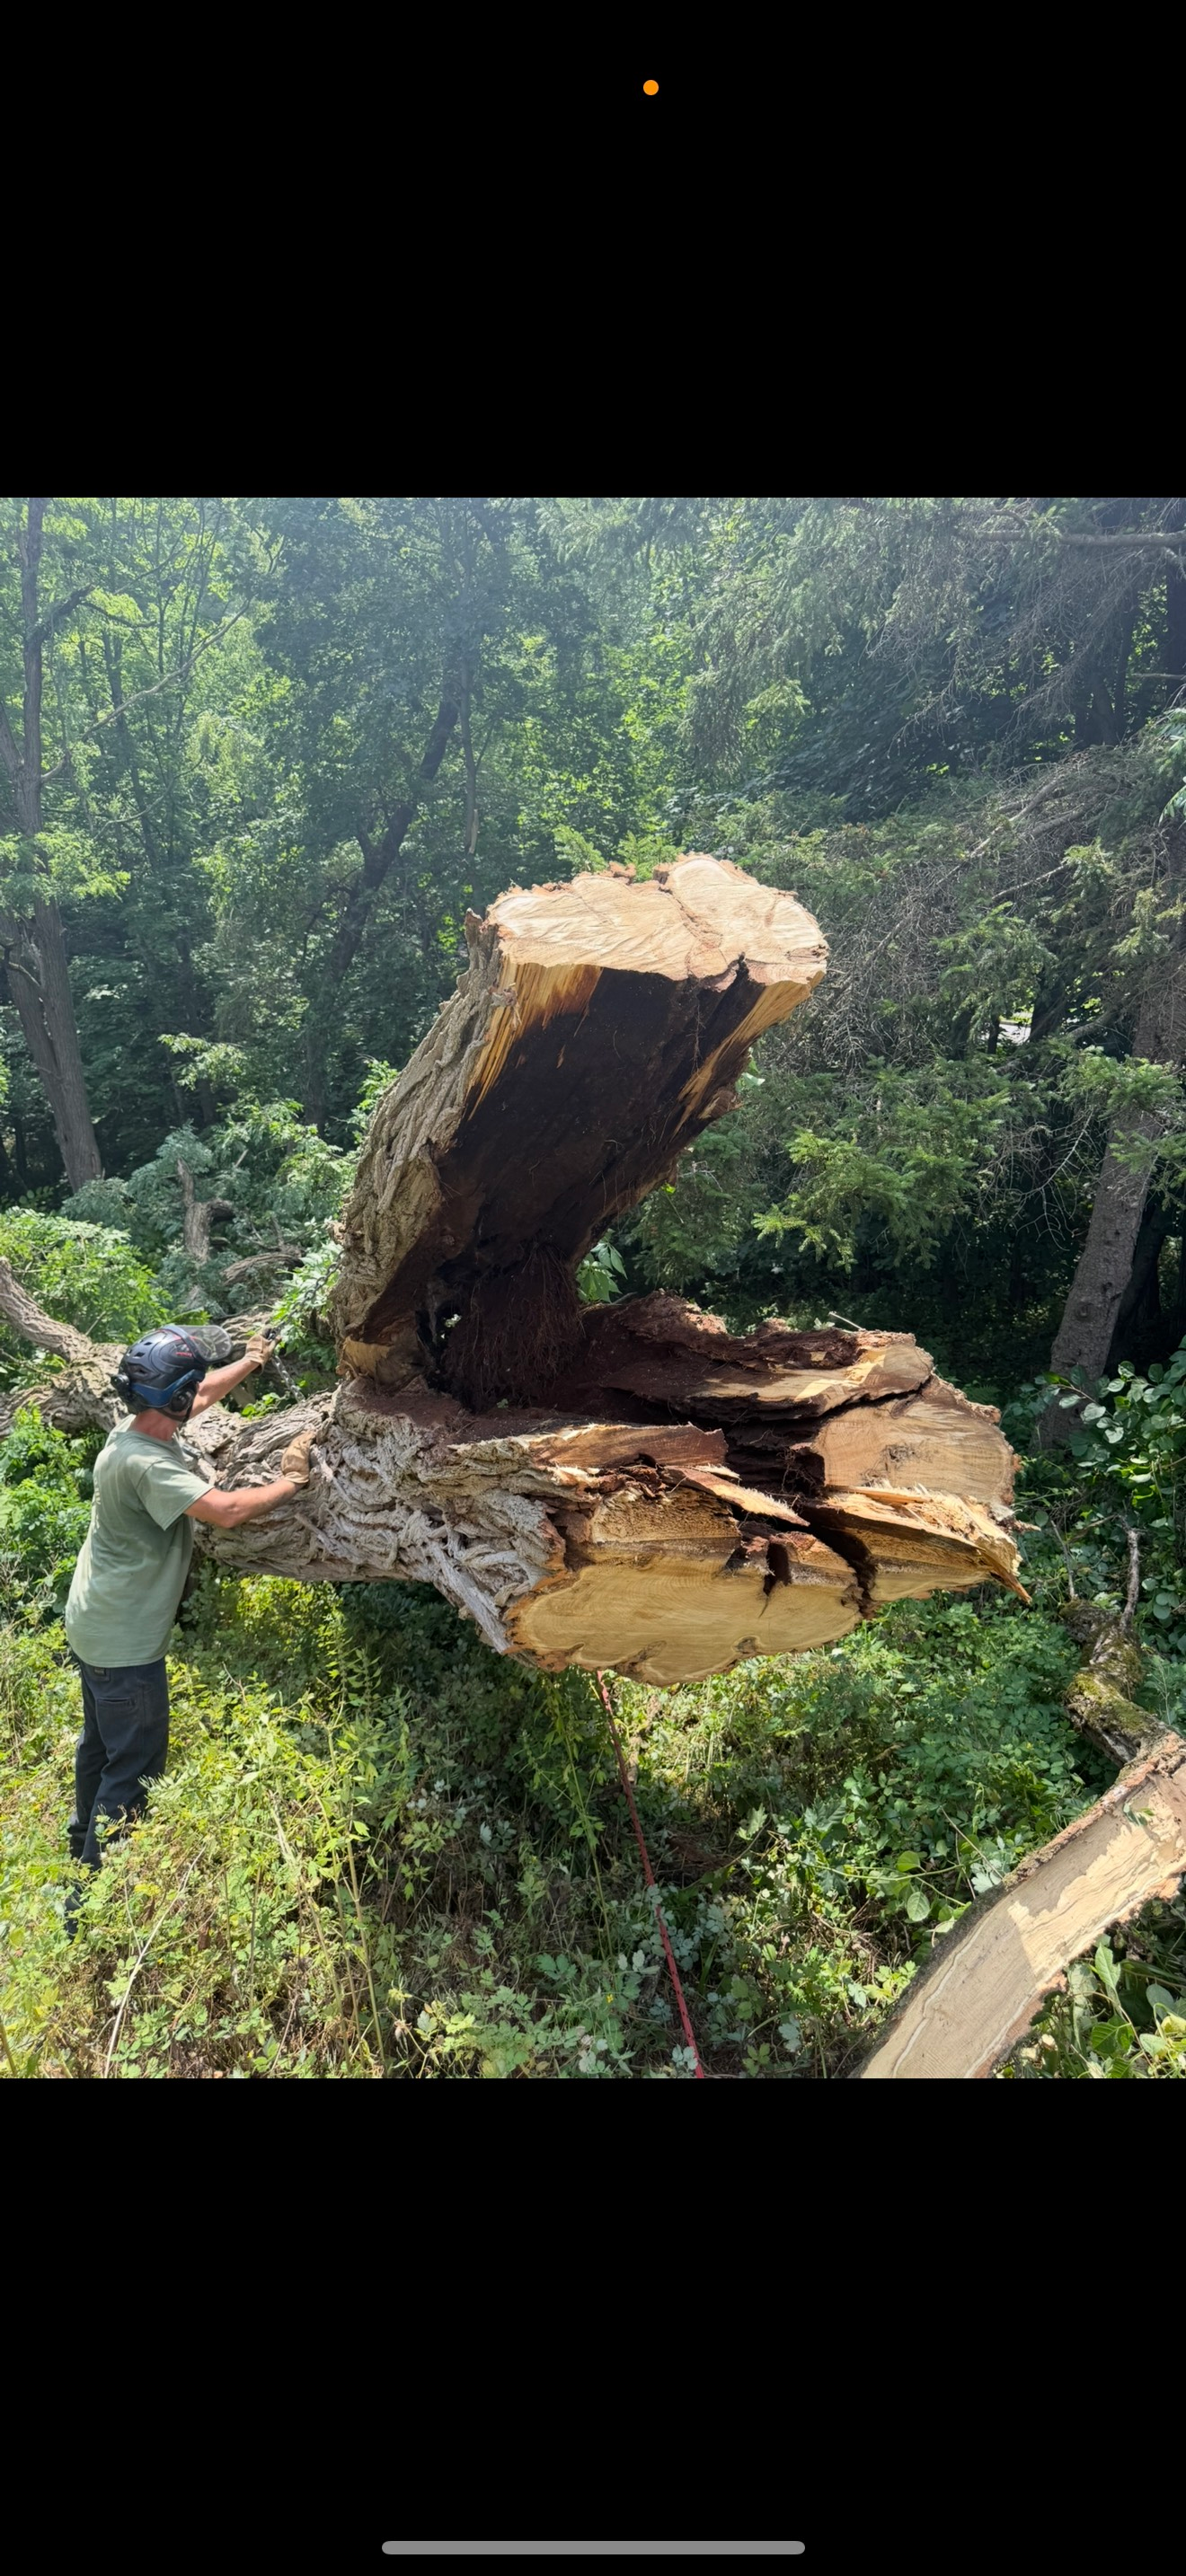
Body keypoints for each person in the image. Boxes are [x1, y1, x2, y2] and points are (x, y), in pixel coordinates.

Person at [62, 1326, 316, 1923]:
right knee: (133, 1768)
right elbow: (225, 1512)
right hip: (126, 1647)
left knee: (99, 1750)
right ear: (169, 1400)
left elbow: (196, 1400)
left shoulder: (135, 1428)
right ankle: (96, 1908)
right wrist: (292, 1482)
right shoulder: (150, 1465)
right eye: (190, 1387)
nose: (198, 1395)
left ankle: (80, 1853)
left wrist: (251, 1362)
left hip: (94, 1623)